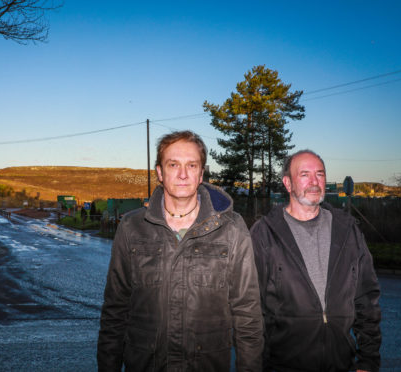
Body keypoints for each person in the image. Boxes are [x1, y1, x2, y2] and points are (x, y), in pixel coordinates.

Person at [97, 130, 264, 371]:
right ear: (159, 173)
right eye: (173, 164)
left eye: (192, 165)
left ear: (201, 174)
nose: (183, 174)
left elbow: (248, 314)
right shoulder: (132, 227)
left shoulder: (232, 228)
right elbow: (115, 311)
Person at [250, 149, 381, 372]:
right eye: (304, 174)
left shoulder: (348, 231)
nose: (314, 181)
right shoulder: (264, 234)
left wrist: (368, 361)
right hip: (282, 365)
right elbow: (251, 310)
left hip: (342, 364)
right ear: (287, 183)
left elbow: (367, 300)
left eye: (320, 174)